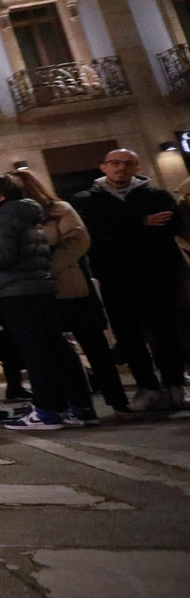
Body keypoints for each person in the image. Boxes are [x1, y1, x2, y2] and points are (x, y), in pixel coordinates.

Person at [0, 174, 95, 429]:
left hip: (16, 291)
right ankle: (80, 407)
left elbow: (0, 257)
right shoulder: (26, 213)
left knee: (36, 352)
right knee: (57, 347)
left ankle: (47, 410)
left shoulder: (2, 217)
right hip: (39, 288)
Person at [71, 150, 187, 412]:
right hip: (115, 276)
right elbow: (92, 234)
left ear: (137, 168)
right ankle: (147, 387)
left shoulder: (156, 195)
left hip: (158, 273)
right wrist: (142, 222)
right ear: (103, 167)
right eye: (114, 163)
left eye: (128, 163)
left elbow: (171, 228)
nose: (120, 168)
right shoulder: (85, 200)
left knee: (166, 332)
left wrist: (117, 230)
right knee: (128, 334)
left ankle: (174, 386)